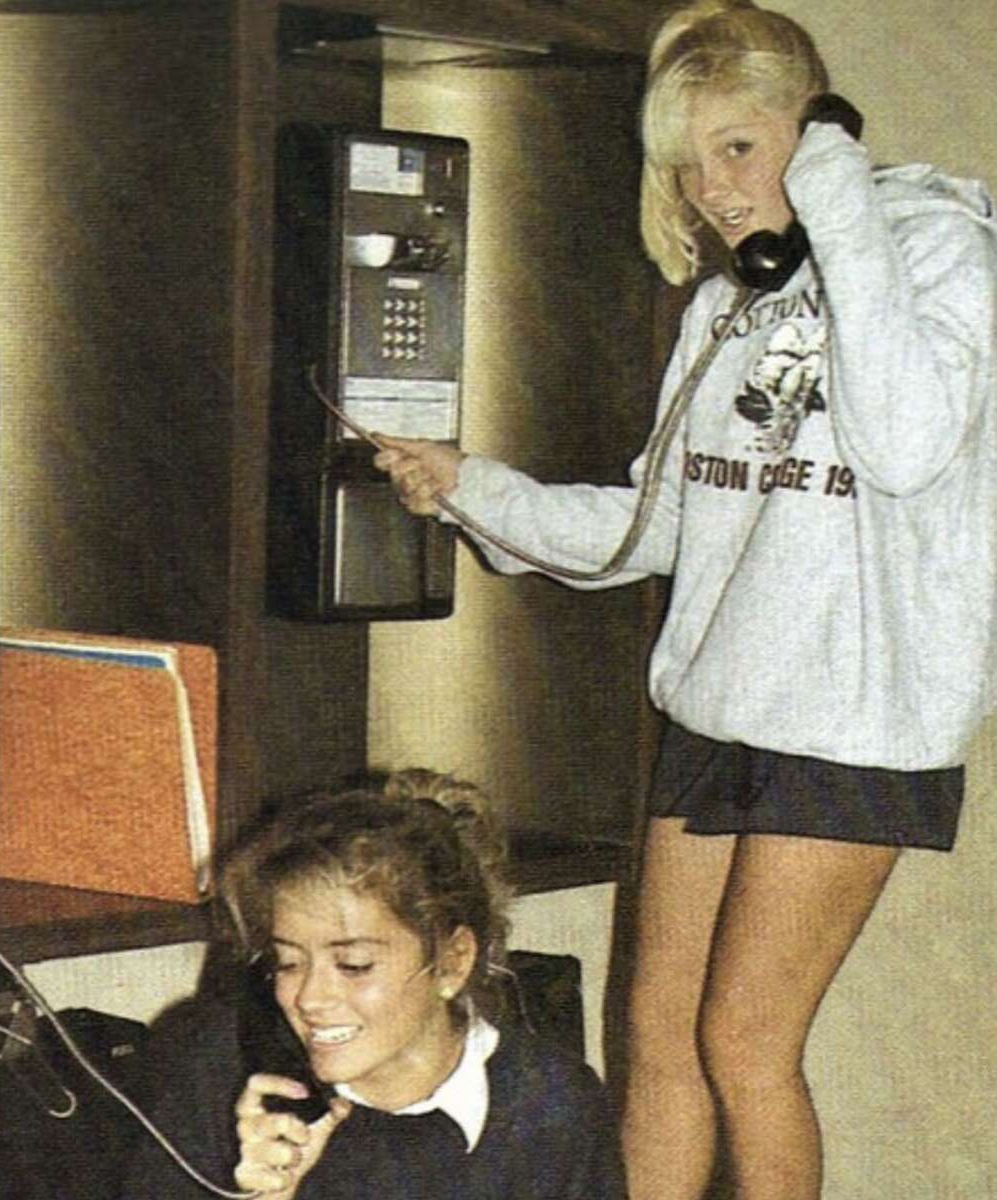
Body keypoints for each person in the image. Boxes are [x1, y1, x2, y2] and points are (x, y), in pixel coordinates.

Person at [372, 3, 997, 1198]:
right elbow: (644, 528)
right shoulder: (725, 310)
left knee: (746, 1046)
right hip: (723, 710)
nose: (713, 188)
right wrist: (470, 489)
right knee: (658, 1037)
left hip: (854, 722)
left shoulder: (934, 255)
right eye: (689, 160)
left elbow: (912, 443)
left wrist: (843, 204)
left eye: (741, 147)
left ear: (816, 135)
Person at [117, 768, 627, 1199]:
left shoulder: (551, 1107)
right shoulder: (217, 1077)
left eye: (355, 965)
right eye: (288, 962)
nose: (310, 998)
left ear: (452, 962)